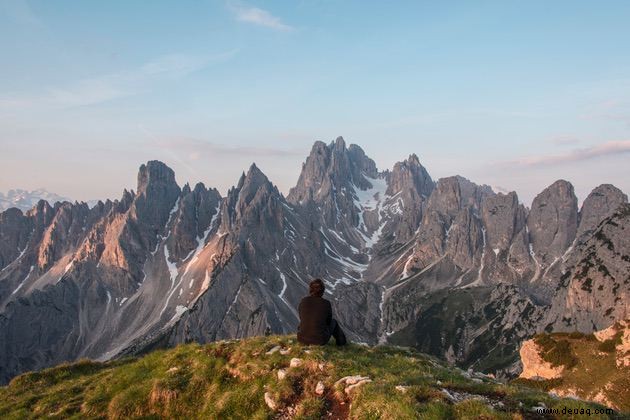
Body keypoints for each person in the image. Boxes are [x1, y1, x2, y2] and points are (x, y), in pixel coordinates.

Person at [297, 279, 347, 346]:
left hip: (301, 339)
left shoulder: (303, 301)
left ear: (310, 290)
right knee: (333, 322)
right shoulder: (326, 303)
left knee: (303, 323)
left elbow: (301, 317)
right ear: (322, 291)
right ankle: (341, 344)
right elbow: (328, 321)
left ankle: (306, 338)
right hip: (319, 340)